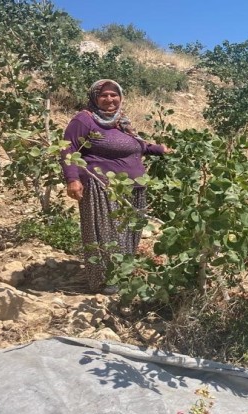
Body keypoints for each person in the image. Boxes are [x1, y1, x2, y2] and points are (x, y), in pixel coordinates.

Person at [60, 79, 170, 294]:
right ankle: (105, 281)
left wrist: (157, 149)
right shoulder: (85, 120)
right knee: (107, 234)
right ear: (94, 98)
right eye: (104, 95)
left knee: (130, 232)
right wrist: (72, 179)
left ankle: (121, 275)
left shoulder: (122, 121)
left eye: (114, 95)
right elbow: (68, 149)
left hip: (133, 186)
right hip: (103, 185)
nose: (110, 99)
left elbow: (135, 145)